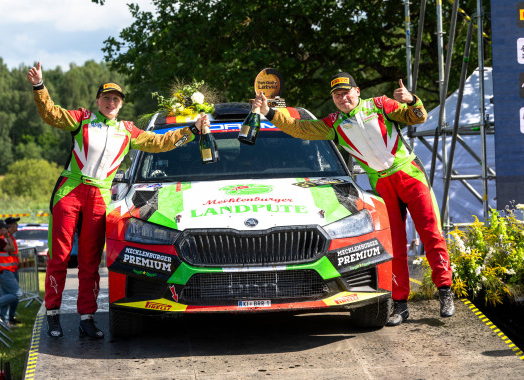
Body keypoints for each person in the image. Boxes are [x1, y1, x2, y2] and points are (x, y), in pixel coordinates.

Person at [253, 72, 454, 326]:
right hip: (381, 182)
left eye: (346, 92)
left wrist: (412, 100)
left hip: (409, 173)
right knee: (394, 245)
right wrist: (269, 112)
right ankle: (400, 305)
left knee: (430, 232)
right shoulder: (333, 123)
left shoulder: (380, 104)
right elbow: (299, 128)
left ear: (357, 91)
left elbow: (417, 117)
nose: (342, 98)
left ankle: (445, 291)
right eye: (337, 95)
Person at [27, 62, 206, 339]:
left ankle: (86, 317)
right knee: (59, 256)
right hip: (70, 189)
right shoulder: (83, 118)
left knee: (90, 260)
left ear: (121, 104)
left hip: (99, 193)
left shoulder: (128, 130)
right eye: (106, 98)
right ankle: (52, 313)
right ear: (98, 100)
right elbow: (51, 114)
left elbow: (160, 142)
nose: (111, 102)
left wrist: (191, 130)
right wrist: (39, 86)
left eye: (116, 99)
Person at [0, 220, 23, 327]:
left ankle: (5, 320)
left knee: (7, 294)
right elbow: (12, 248)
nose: (6, 230)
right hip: (4, 271)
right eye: (4, 228)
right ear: (0, 229)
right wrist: (7, 236)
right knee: (18, 294)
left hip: (3, 271)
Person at [5, 217, 21, 283]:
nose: (17, 225)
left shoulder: (11, 237)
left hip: (13, 269)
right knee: (16, 293)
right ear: (10, 226)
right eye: (15, 223)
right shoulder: (6, 237)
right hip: (9, 270)